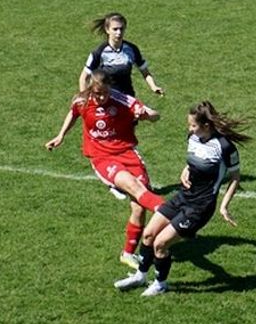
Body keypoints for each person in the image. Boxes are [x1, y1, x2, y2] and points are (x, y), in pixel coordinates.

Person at [113, 101, 250, 296]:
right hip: (183, 196)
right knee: (149, 234)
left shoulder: (225, 147)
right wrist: (186, 170)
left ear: (206, 125)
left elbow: (235, 178)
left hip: (200, 207)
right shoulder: (193, 138)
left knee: (160, 243)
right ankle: (140, 275)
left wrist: (224, 206)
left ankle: (161, 284)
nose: (190, 129)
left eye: (193, 125)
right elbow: (193, 160)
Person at [45, 69, 166, 268]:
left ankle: (127, 254)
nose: (102, 97)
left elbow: (154, 115)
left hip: (128, 153)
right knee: (136, 188)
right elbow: (73, 113)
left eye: (105, 93)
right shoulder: (82, 101)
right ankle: (170, 211)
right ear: (91, 89)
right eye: (98, 93)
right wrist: (61, 136)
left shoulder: (123, 101)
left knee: (138, 205)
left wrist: (148, 115)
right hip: (102, 157)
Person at [80, 12, 165, 98]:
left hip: (127, 99)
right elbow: (83, 78)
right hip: (107, 99)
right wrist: (84, 100)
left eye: (121, 29)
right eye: (115, 29)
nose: (119, 32)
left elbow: (145, 72)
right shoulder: (99, 52)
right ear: (107, 29)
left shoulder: (132, 49)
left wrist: (153, 86)